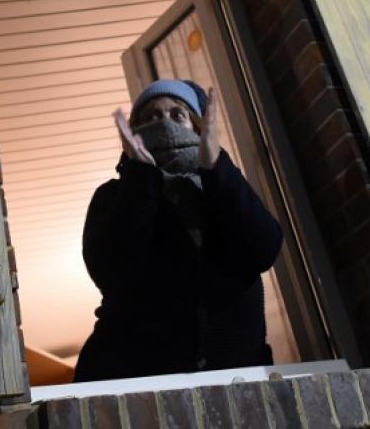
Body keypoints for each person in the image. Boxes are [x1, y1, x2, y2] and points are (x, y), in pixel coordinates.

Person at [73, 78, 284, 381]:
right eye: (151, 117)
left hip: (237, 377)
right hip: (134, 377)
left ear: (196, 126)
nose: (164, 123)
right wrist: (140, 177)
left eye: (177, 114)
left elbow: (263, 249)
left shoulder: (221, 182)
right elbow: (111, 271)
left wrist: (215, 167)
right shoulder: (114, 195)